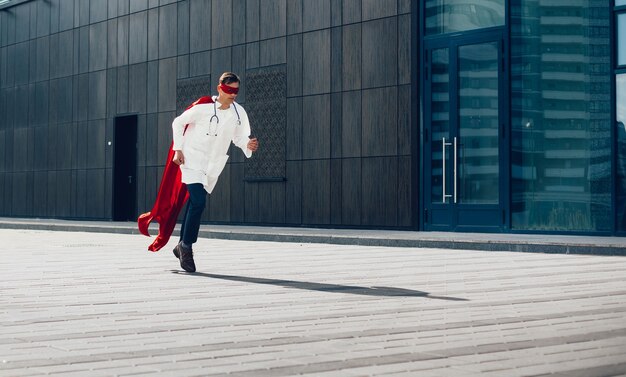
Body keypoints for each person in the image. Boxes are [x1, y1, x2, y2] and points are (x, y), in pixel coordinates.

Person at [138, 72, 258, 272]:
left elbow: (239, 138)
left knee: (195, 203)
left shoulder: (239, 113)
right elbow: (178, 122)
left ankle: (182, 244)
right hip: (192, 160)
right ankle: (186, 247)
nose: (233, 95)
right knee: (199, 201)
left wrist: (248, 144)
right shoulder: (202, 107)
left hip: (213, 165)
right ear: (220, 88)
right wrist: (178, 148)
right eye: (229, 90)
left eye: (236, 91)